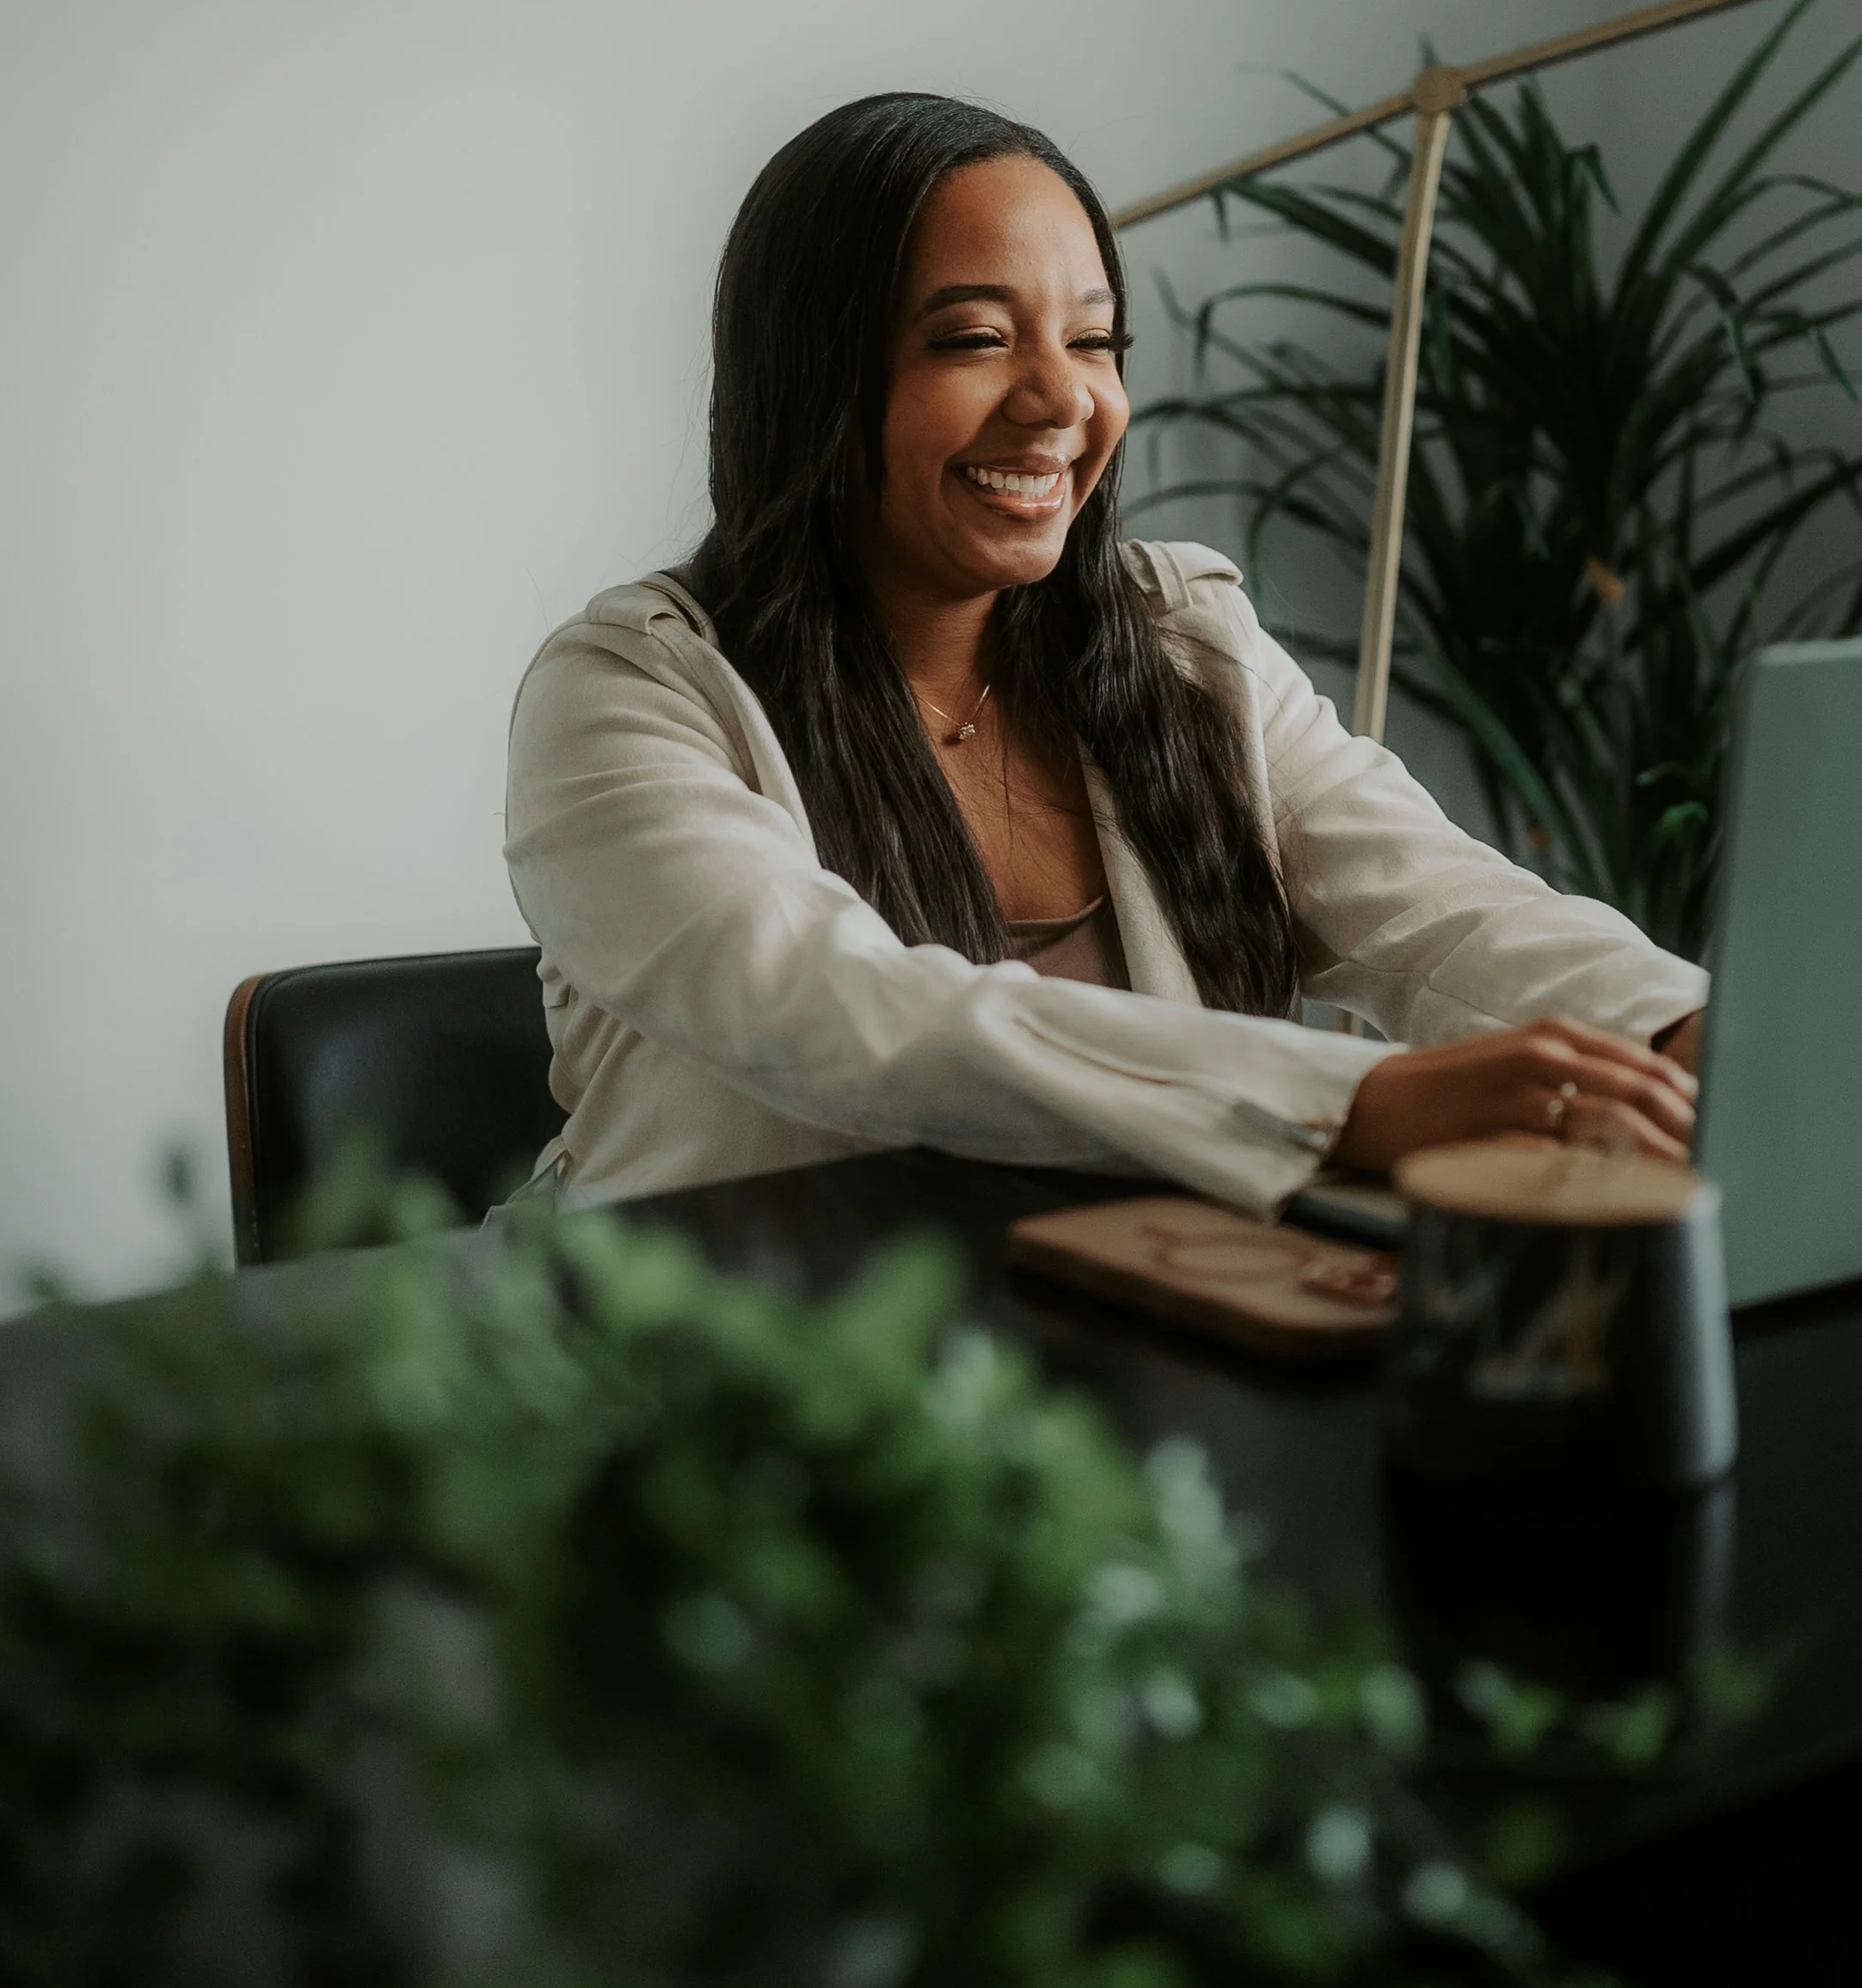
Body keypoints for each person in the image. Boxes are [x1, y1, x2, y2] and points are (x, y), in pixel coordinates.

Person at [505, 94, 1705, 1213]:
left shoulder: (1185, 641)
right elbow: (848, 1015)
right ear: (812, 378)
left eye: (1093, 340)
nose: (1060, 399)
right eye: (975, 339)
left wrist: (1682, 1037)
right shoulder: (625, 695)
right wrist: (1347, 1104)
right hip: (725, 1383)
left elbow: (1439, 912)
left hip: (1110, 1334)